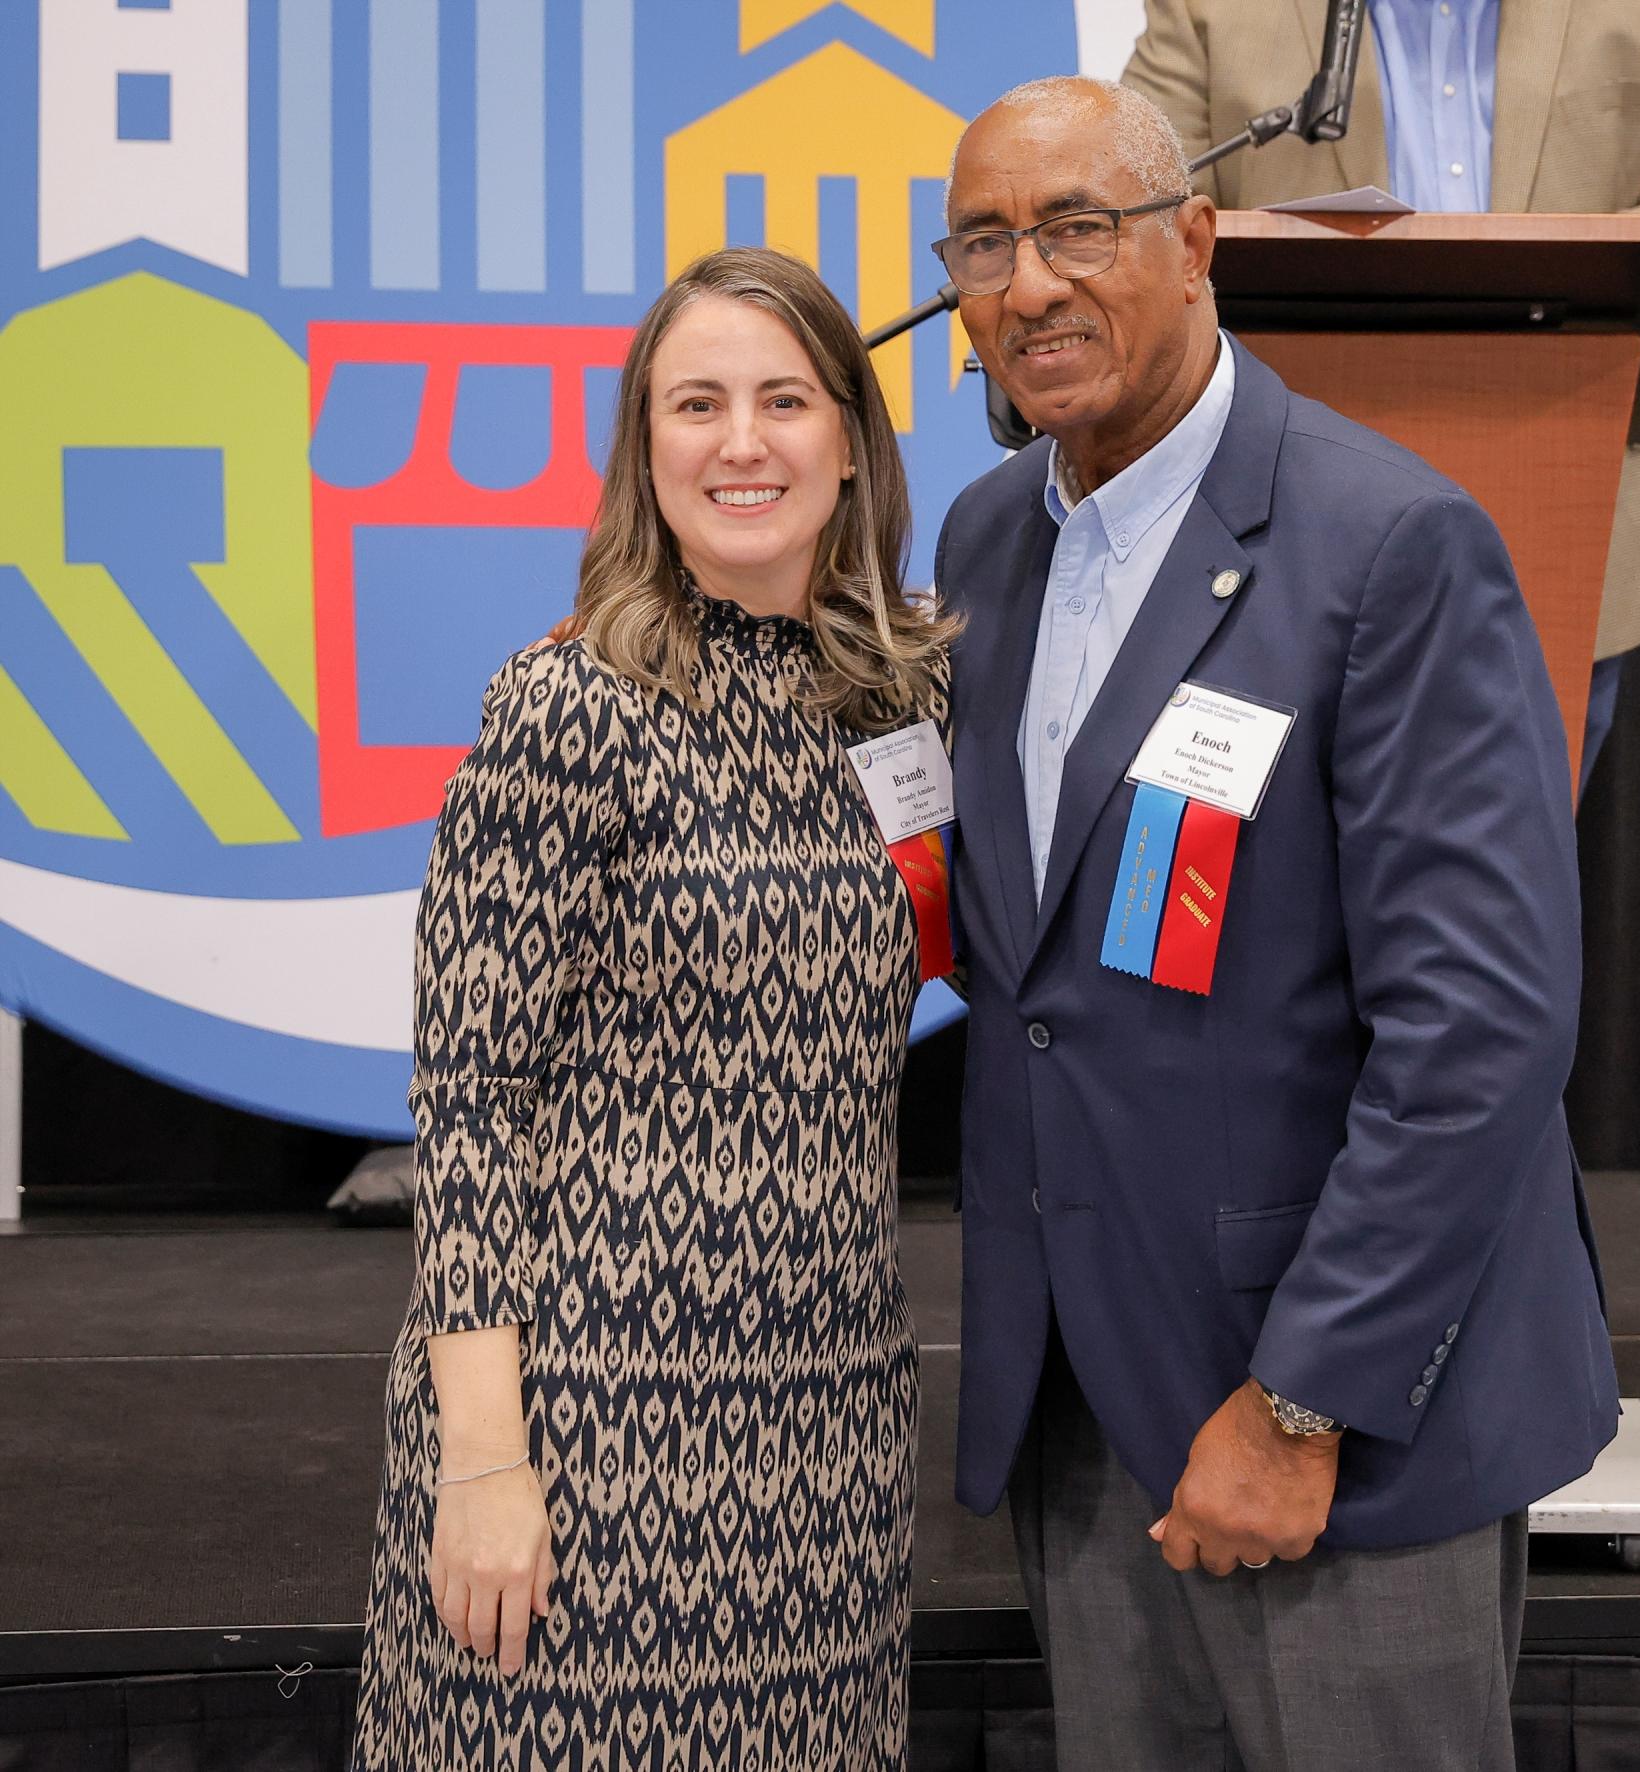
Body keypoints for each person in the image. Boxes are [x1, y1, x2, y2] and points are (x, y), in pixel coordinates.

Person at [935, 77, 1614, 1769]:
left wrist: (1300, 1400)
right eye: (989, 242)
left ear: (1195, 241)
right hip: (1087, 1412)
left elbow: (1481, 1033)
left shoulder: (1390, 545)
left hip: (1332, 1432)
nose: (1033, 284)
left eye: (1080, 228)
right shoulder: (983, 544)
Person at [351, 246, 954, 1770]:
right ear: (646, 448)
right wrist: (487, 1464)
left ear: (851, 439)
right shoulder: (568, 709)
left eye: (782, 400)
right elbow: (472, 1106)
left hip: (822, 1432)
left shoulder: (909, 695)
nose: (742, 442)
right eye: (698, 404)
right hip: (590, 1431)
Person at [1123, 0, 1640, 789]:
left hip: (1568, 497)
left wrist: (1561, 269)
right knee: (1287, 881)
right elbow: (1141, 210)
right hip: (1287, 519)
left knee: (1504, 887)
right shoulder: (1213, 9)